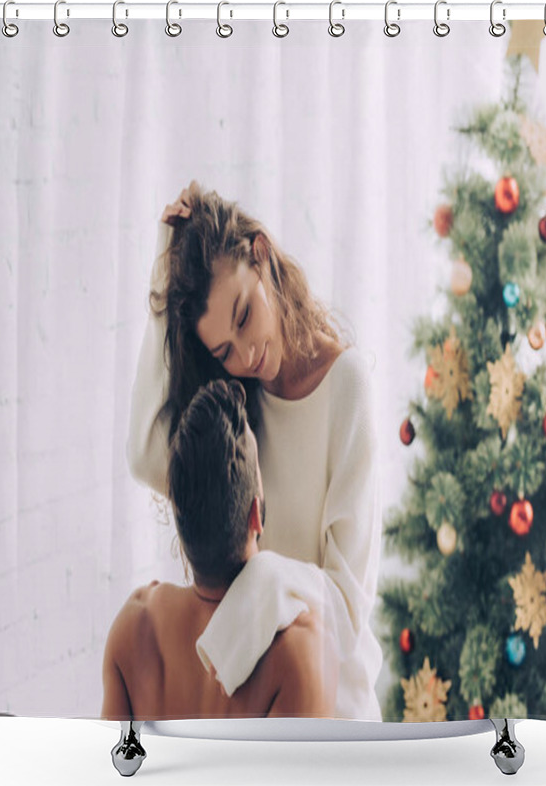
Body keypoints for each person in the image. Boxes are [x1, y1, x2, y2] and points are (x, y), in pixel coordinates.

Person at [126, 182, 383, 720]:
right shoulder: (237, 403)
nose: (246, 354)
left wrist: (265, 576)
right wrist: (162, 279)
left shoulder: (347, 387)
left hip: (335, 713)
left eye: (243, 315)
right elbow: (147, 454)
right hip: (255, 705)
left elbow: (346, 608)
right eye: (224, 350)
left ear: (261, 254)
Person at [103, 379, 338, 720]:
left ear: (182, 526)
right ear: (255, 515)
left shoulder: (133, 627)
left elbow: (111, 770)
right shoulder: (300, 654)